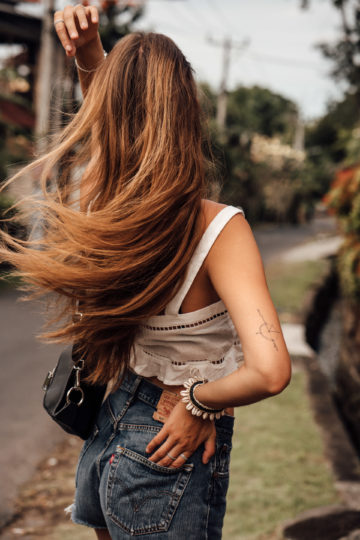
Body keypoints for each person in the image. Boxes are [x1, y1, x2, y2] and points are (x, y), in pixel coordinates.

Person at [0, 4, 291, 539]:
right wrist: (197, 400)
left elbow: (114, 128)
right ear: (187, 113)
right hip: (166, 439)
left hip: (111, 428)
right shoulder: (218, 229)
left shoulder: (105, 209)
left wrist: (90, 56)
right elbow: (270, 371)